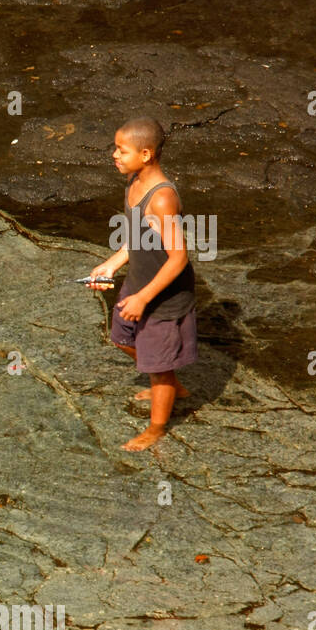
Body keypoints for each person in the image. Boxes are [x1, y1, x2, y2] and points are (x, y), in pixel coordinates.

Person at [90, 117, 198, 452]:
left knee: (158, 367)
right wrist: (111, 264)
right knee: (120, 336)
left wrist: (144, 297)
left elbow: (178, 258)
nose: (114, 155)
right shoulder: (133, 182)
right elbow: (136, 237)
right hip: (137, 284)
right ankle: (167, 379)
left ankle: (157, 427)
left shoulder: (161, 199)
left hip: (162, 299)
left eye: (121, 150)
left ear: (147, 154)